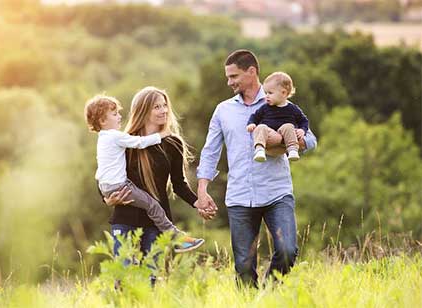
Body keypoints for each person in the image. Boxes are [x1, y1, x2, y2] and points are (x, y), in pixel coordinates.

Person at [196, 49, 317, 287]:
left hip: (276, 192)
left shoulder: (283, 103)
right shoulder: (223, 110)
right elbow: (210, 151)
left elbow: (311, 140)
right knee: (243, 265)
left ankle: (268, 296)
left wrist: (298, 140)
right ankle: (250, 301)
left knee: (287, 250)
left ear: (252, 72)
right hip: (240, 195)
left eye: (234, 76)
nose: (229, 82)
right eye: (228, 77)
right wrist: (202, 190)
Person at [85, 94, 204, 254]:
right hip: (125, 219)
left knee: (151, 276)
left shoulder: (172, 143)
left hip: (154, 224)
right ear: (143, 111)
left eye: (164, 105)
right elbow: (105, 173)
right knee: (124, 274)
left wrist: (198, 203)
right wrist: (107, 199)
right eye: (157, 107)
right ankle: (176, 237)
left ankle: (176, 238)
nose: (164, 110)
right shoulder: (125, 140)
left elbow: (179, 184)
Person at [246, 72, 309, 162]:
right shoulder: (265, 108)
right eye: (266, 93)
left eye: (270, 93)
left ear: (283, 93)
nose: (266, 96)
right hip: (269, 138)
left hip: (283, 143)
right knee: (261, 127)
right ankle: (259, 149)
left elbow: (304, 120)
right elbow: (255, 116)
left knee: (288, 126)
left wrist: (302, 130)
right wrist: (251, 123)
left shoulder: (292, 109)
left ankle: (292, 150)